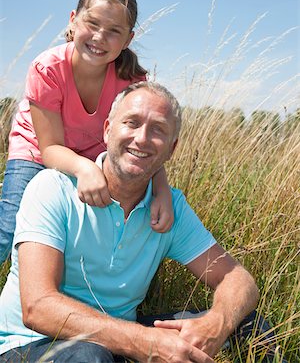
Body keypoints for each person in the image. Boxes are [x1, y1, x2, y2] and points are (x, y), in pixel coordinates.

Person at [0, 82, 286, 363]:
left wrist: (216, 323)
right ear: (107, 129)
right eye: (131, 123)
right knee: (89, 355)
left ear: (172, 149)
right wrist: (145, 343)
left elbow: (239, 280)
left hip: (119, 345)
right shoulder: (53, 188)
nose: (142, 138)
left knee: (249, 324)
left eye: (158, 129)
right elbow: (38, 307)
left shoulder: (170, 207)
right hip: (30, 345)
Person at [0, 0, 173, 264]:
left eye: (114, 31)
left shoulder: (133, 82)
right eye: (92, 23)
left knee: (88, 230)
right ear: (73, 21)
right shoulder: (48, 68)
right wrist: (83, 169)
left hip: (94, 155)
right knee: (9, 232)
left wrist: (162, 192)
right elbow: (51, 148)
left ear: (127, 40)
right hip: (37, 149)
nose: (99, 37)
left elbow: (140, 147)